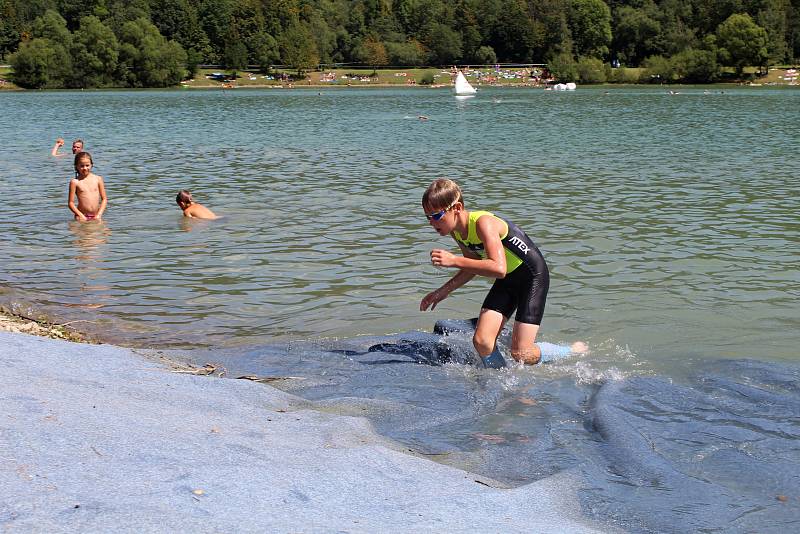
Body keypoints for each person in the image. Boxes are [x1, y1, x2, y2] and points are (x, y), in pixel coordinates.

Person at [420, 178, 578, 368]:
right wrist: (443, 291)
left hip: (532, 277)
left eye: (436, 216)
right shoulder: (456, 231)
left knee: (522, 354)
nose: (431, 222)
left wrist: (454, 260)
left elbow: (498, 268)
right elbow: (474, 265)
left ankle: (571, 351)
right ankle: (500, 376)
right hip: (508, 280)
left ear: (457, 208)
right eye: (427, 217)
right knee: (482, 342)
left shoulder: (483, 223)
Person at [67, 151, 107, 221]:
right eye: (82, 166)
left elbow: (104, 199)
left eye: (87, 165)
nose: (85, 168)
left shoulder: (98, 179)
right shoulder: (75, 182)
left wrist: (99, 214)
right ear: (76, 166)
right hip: (81, 216)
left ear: (91, 165)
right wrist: (81, 215)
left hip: (97, 215)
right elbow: (71, 203)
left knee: (106, 232)